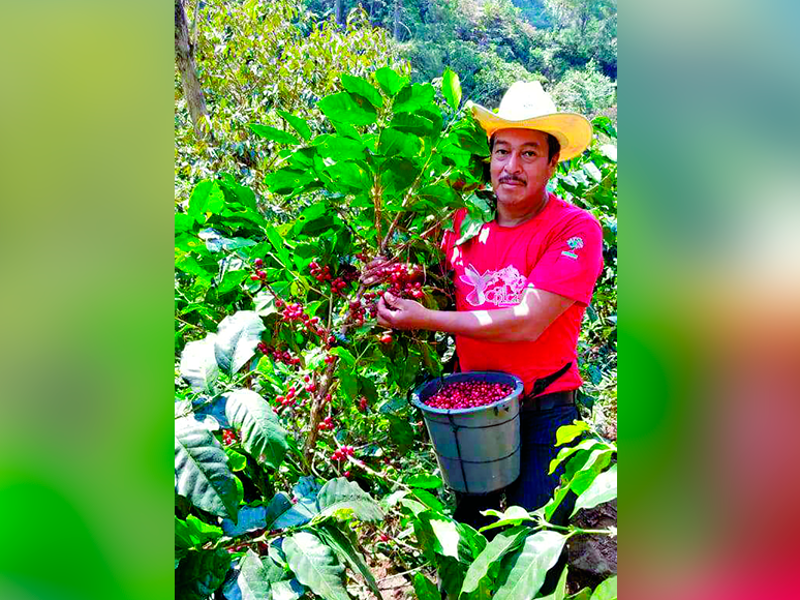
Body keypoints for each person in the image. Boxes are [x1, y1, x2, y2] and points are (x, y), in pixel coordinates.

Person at [375, 81, 605, 530]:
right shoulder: (460, 221)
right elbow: (430, 279)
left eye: (529, 153)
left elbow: (527, 322)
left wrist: (424, 320)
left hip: (545, 408)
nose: (511, 167)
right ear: (489, 158)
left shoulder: (574, 230)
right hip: (470, 404)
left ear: (553, 162)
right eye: (502, 151)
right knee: (470, 532)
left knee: (533, 537)